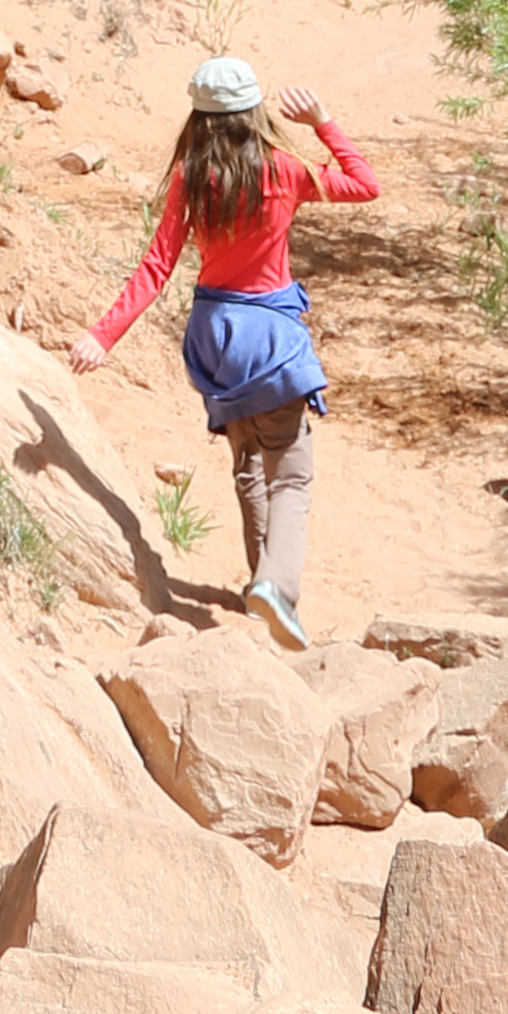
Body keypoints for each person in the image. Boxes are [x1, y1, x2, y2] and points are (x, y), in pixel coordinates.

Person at [67, 53, 376, 655]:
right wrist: (323, 121)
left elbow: (157, 266)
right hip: (269, 339)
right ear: (254, 111)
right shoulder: (284, 170)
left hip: (215, 339)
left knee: (248, 463)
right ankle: (277, 589)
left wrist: (102, 335)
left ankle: (259, 587)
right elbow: (365, 184)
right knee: (290, 470)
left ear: (200, 118)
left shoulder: (190, 176)